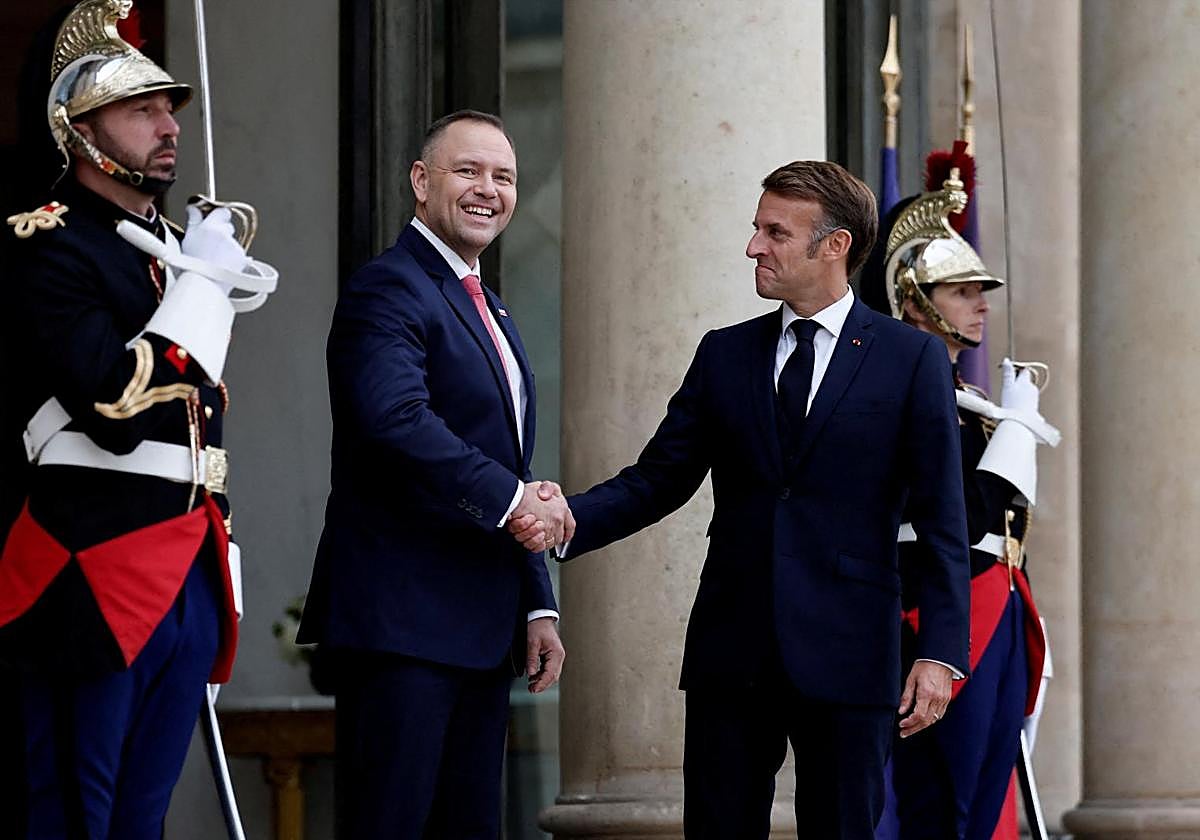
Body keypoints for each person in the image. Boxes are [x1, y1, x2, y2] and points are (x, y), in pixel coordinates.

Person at [511, 160, 971, 839]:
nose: (754, 247)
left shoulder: (910, 359)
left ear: (834, 246)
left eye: (775, 232)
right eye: (757, 229)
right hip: (734, 650)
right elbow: (658, 479)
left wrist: (940, 651)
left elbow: (942, 520)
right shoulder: (725, 355)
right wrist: (566, 517)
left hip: (851, 651)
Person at [0, 0, 270, 834]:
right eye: (140, 109)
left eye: (169, 109)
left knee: (141, 821)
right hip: (88, 571)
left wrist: (199, 274)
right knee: (80, 818)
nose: (168, 126)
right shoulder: (50, 246)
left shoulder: (174, 255)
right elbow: (114, 404)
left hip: (184, 567)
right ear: (79, 130)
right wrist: (201, 291)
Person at [297, 109, 570, 838]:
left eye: (505, 177)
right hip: (403, 627)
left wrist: (536, 602)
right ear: (421, 182)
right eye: (469, 171)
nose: (490, 190)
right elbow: (395, 420)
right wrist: (518, 498)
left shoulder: (490, 307)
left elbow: (504, 458)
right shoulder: (388, 290)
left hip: (480, 628)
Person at [861, 171, 1057, 840]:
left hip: (997, 601)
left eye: (980, 292)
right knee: (942, 800)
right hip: (940, 610)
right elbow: (954, 514)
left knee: (987, 784)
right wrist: (1011, 449)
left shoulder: (963, 402)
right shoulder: (904, 394)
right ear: (916, 300)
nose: (980, 305)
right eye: (962, 291)